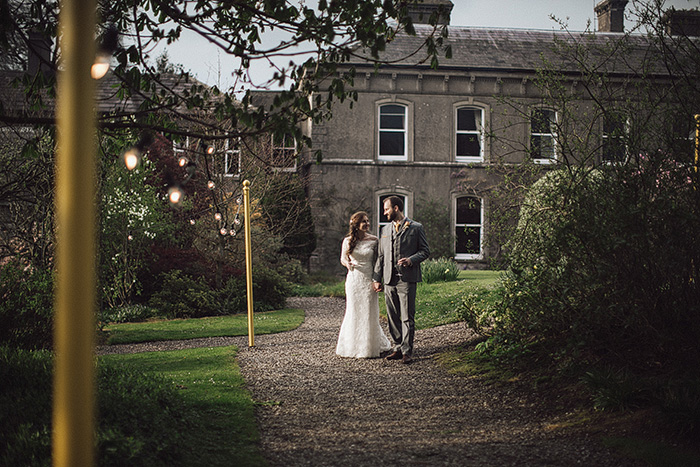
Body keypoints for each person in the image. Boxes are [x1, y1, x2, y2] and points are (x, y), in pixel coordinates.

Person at [372, 196, 430, 364]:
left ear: (396, 208)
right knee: (392, 316)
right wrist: (377, 278)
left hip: (407, 279)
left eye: (386, 209)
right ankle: (397, 347)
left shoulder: (416, 228)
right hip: (389, 279)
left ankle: (407, 351)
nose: (384, 213)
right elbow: (381, 257)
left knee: (406, 317)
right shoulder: (384, 230)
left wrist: (411, 260)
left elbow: (425, 251)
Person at [336, 211, 392, 358]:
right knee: (353, 311)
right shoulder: (347, 241)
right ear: (356, 225)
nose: (367, 224)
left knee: (369, 311)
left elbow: (379, 261)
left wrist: (377, 279)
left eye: (368, 221)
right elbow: (342, 258)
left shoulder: (374, 240)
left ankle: (369, 346)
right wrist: (348, 264)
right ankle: (351, 345)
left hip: (368, 279)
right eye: (363, 222)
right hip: (354, 279)